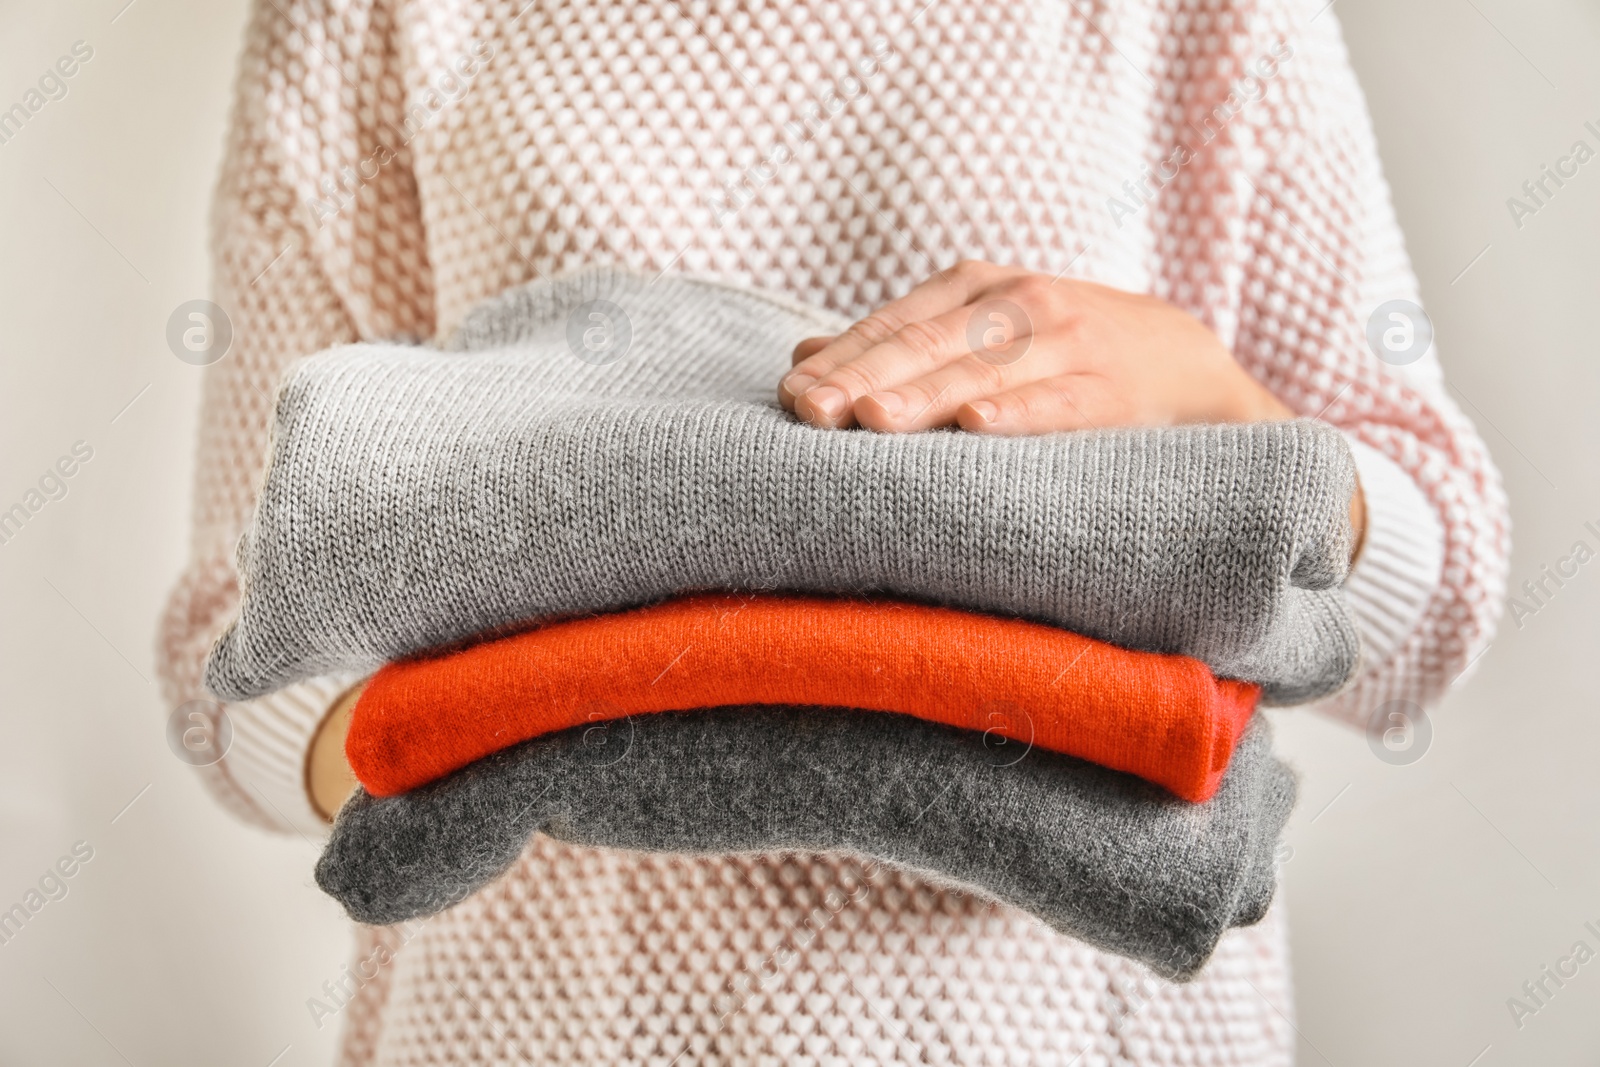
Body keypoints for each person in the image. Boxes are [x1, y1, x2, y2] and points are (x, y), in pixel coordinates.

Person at [159, 0, 1508, 1062]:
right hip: (529, 1034)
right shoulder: (373, 14)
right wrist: (468, 737)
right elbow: (237, 650)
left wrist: (1210, 396)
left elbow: (1432, 614)